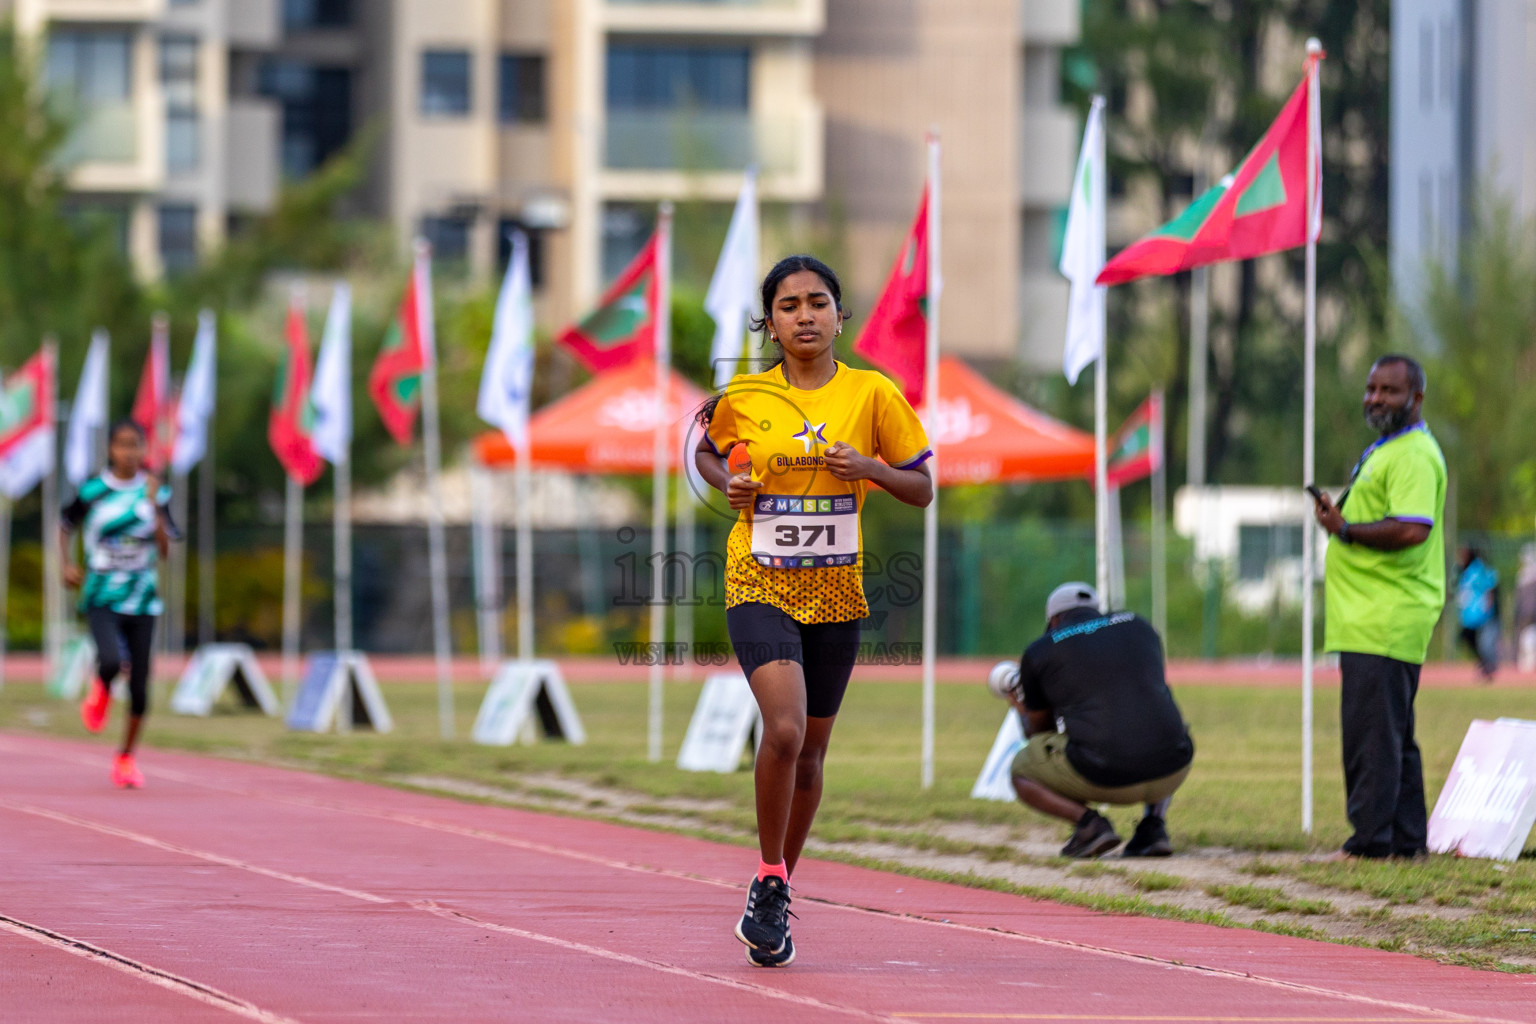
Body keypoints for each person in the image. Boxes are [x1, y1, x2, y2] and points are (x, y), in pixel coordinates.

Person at [695, 254, 933, 967]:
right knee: (787, 727)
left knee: (812, 757)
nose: (805, 315)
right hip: (758, 577)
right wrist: (732, 480)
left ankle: (774, 892)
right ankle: (770, 876)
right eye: (790, 305)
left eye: (818, 302)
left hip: (836, 587)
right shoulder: (743, 394)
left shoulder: (872, 394)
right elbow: (706, 455)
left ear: (839, 314)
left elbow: (921, 487)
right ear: (770, 321)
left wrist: (873, 471)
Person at [1312, 354, 1446, 860]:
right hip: (1372, 615)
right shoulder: (1390, 448)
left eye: (1388, 390)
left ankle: (1370, 843)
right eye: (1371, 389)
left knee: (1372, 738)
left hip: (1385, 614)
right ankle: (1407, 842)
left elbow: (1412, 528)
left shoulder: (1412, 453)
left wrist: (1344, 529)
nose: (1375, 398)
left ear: (1416, 397)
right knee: (1393, 736)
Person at [994, 582, 1194, 859]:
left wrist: (1021, 707)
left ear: (1053, 620)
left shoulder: (1041, 650)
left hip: (1105, 775)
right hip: (1174, 767)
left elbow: (1040, 734)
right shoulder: (1140, 625)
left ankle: (1091, 826)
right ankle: (1153, 827)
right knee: (1155, 727)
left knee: (1022, 769)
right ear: (1096, 610)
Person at [60, 420, 176, 789]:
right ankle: (101, 690)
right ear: (110, 449)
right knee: (110, 660)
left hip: (142, 599)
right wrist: (66, 563)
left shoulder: (156, 492)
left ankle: (125, 758)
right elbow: (64, 523)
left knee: (141, 689)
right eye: (122, 445)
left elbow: (165, 549)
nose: (129, 452)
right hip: (101, 594)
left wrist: (155, 506)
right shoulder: (94, 490)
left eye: (136, 445)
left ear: (144, 450)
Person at [1455, 546, 1499, 681]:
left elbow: (1489, 586)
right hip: (1470, 615)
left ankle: (1487, 667)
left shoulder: (1478, 569)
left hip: (1481, 614)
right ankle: (1484, 664)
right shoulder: (1465, 571)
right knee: (1466, 637)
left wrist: (1488, 605)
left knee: (1485, 643)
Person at [1514, 545, 1536, 673]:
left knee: (1529, 638)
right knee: (1526, 639)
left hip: (1530, 613)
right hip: (1526, 614)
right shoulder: (1522, 575)